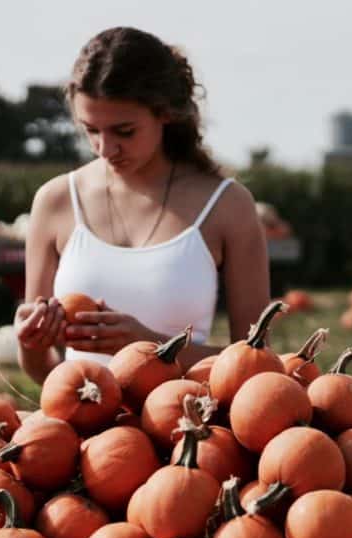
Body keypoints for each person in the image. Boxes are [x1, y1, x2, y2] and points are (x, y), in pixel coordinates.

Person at [14, 27, 270, 384]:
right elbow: (49, 374)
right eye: (90, 130)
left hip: (185, 424)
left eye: (124, 131)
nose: (105, 149)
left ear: (165, 112)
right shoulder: (55, 200)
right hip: (85, 428)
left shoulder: (227, 205)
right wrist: (30, 344)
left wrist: (150, 348)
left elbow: (258, 366)